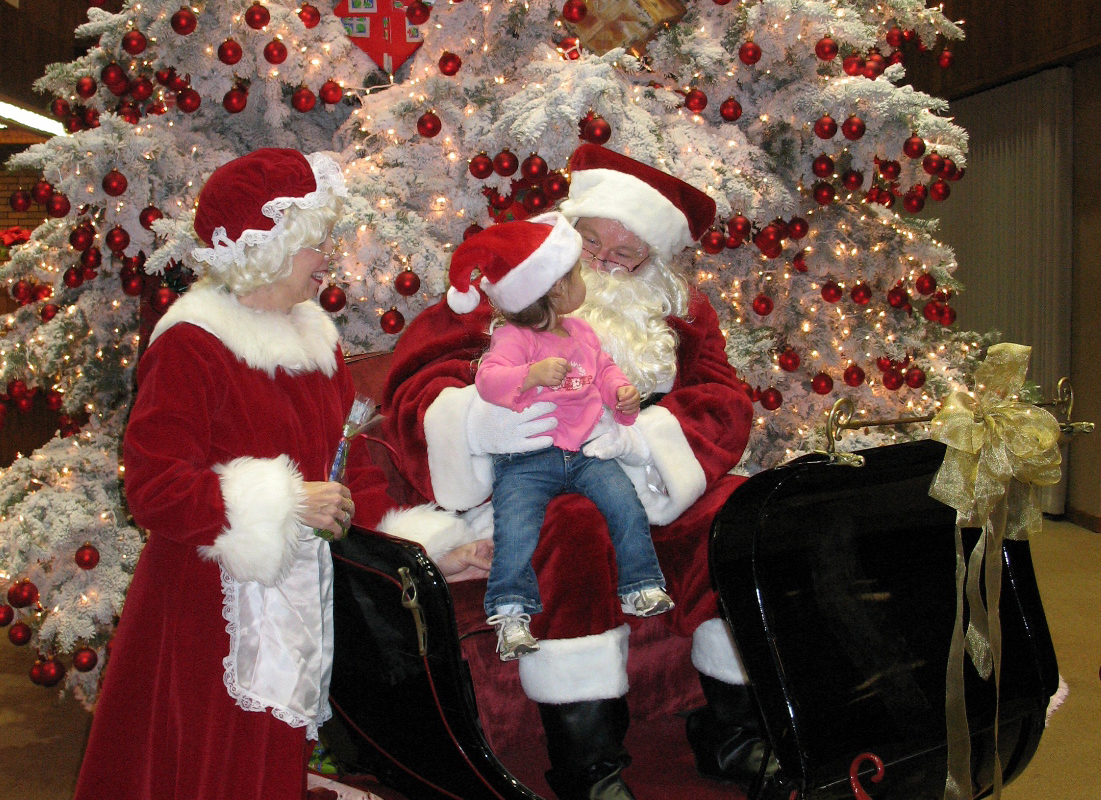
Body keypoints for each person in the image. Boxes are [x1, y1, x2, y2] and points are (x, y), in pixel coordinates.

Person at [379, 144, 790, 800]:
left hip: (643, 483)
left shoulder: (683, 312)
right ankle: (589, 771)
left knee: (736, 515)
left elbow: (723, 401)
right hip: (530, 476)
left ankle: (733, 734)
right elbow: (416, 380)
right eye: (590, 241)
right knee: (569, 523)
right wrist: (479, 426)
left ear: (654, 262)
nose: (599, 263)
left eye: (624, 255)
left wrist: (644, 441)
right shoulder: (508, 276)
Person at [74, 148, 467, 800]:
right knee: (206, 766)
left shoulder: (316, 341)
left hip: (291, 603)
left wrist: (419, 545)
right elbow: (153, 485)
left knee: (269, 765)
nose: (327, 258)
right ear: (268, 245)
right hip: (204, 614)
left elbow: (337, 472)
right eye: (315, 242)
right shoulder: (193, 342)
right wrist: (279, 501)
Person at [445, 212, 675, 662]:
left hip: (587, 451)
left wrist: (620, 392)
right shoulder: (515, 338)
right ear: (553, 288)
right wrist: (529, 374)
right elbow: (488, 382)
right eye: (574, 274)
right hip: (528, 458)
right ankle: (510, 611)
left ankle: (641, 584)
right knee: (516, 527)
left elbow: (605, 369)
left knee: (624, 504)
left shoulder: (581, 330)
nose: (584, 278)